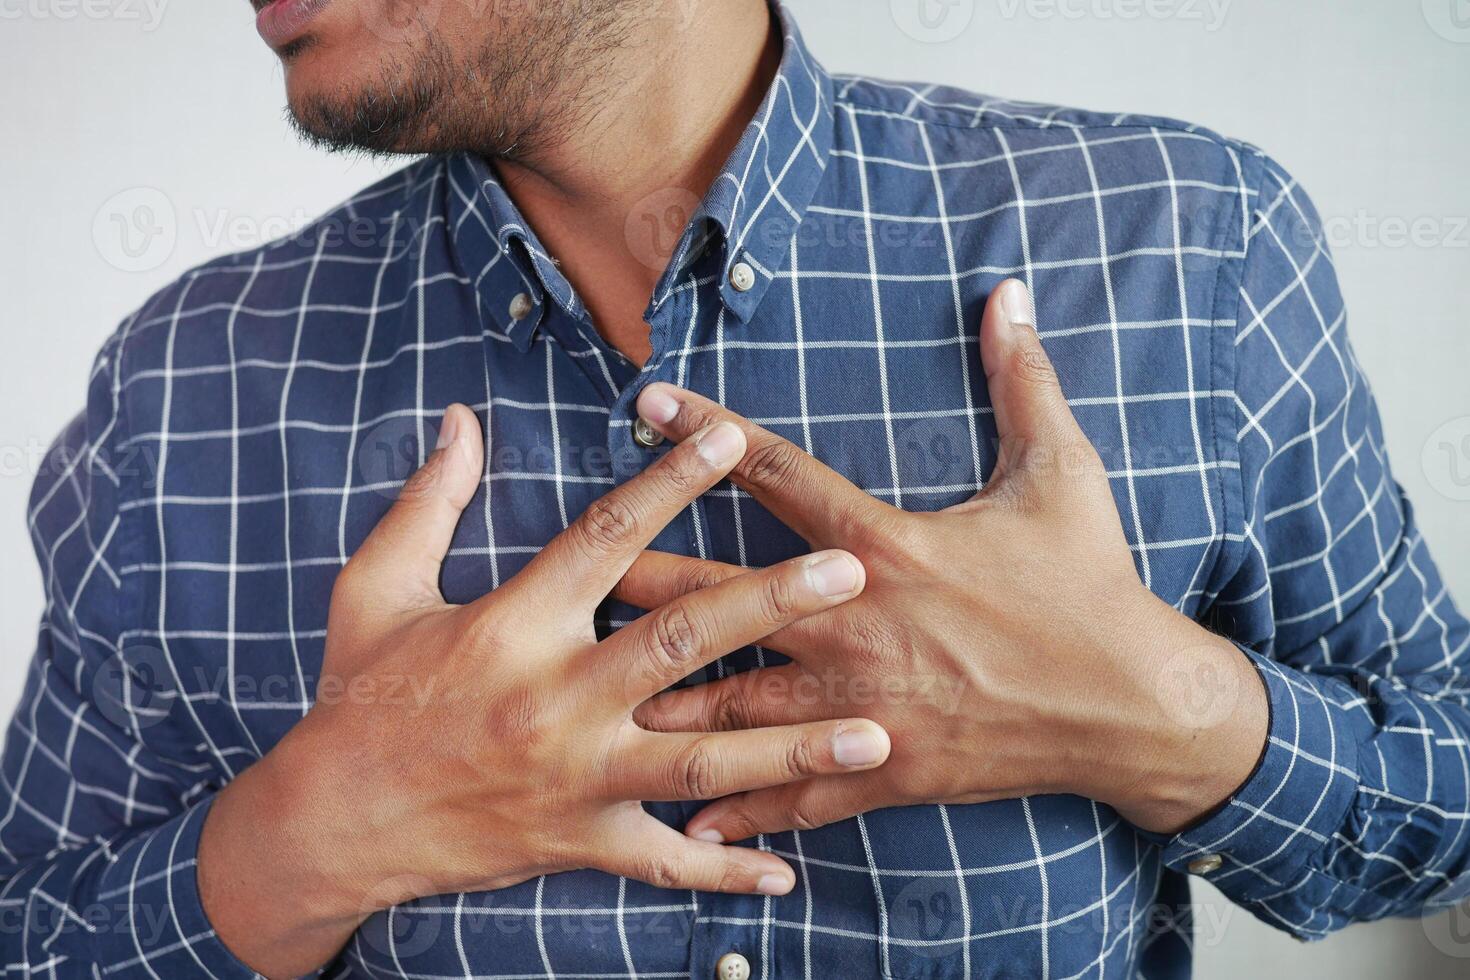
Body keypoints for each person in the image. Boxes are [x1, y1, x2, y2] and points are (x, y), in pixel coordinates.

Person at [5, 0, 1467, 976]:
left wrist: (1164, 716)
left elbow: (1444, 802)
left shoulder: (1179, 247)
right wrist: (309, 837)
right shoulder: (185, 378)